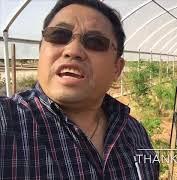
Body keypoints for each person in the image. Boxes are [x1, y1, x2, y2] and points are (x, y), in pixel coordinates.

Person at [0, 0, 159, 179]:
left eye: (95, 42)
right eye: (59, 35)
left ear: (117, 68)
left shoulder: (135, 133)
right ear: (41, 50)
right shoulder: (8, 122)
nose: (73, 50)